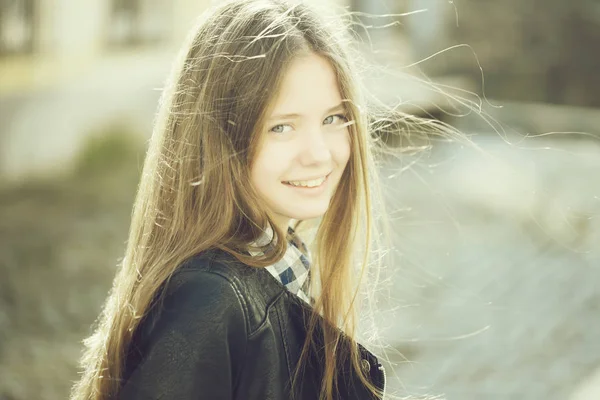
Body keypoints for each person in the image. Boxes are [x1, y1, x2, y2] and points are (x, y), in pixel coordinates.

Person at [71, 0, 391, 399]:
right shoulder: (210, 300)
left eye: (332, 119)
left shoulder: (282, 266)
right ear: (218, 139)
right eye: (281, 127)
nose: (319, 154)